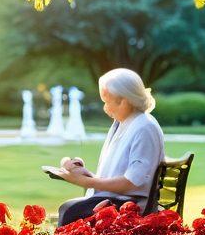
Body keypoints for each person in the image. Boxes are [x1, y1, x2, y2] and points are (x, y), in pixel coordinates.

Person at [54, 68, 165, 226]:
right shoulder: (126, 123)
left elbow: (132, 183)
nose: (105, 108)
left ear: (124, 101)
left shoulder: (144, 127)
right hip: (116, 199)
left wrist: (87, 182)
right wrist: (87, 176)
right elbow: (122, 176)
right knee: (70, 209)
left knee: (70, 210)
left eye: (107, 101)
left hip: (128, 206)